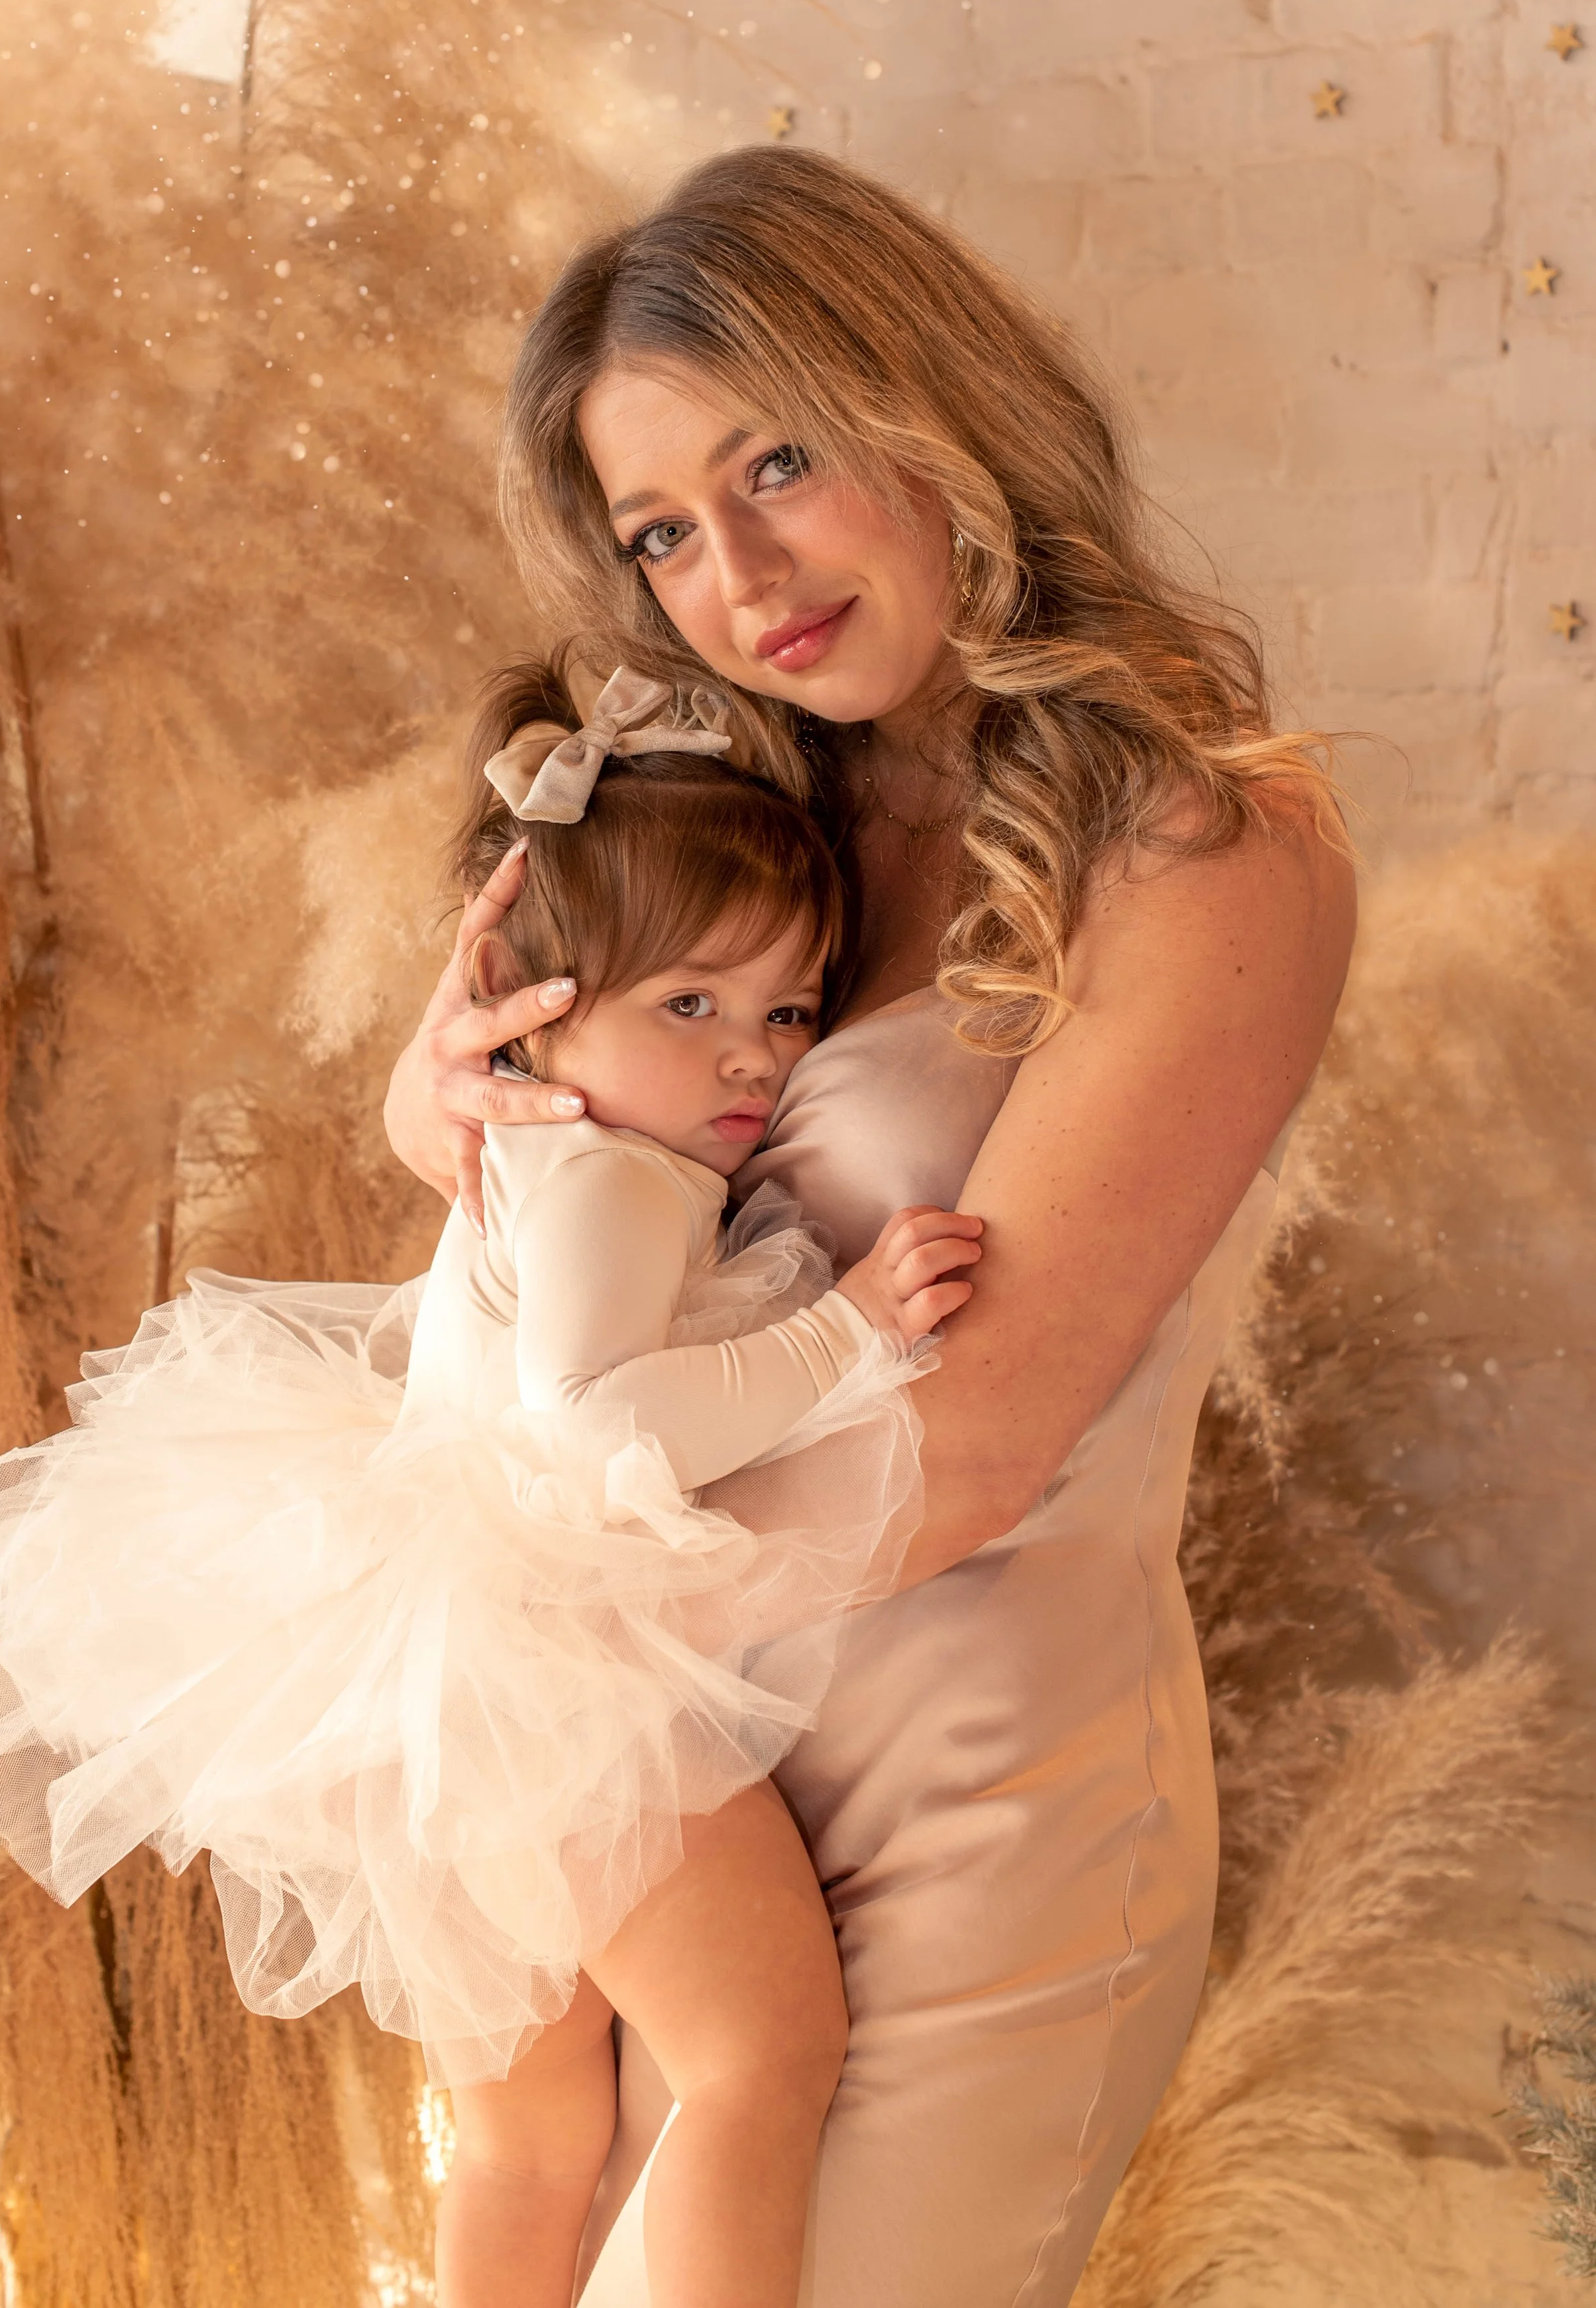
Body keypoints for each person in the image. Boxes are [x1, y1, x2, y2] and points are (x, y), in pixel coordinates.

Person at [382, 146, 1358, 2307]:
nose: (734, 573)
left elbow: (986, 1430)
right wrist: (431, 1096)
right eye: (660, 529)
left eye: (781, 462)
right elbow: (560, 1236)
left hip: (970, 1804)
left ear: (934, 405)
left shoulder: (1206, 836)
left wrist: (528, 1652)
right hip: (676, 1798)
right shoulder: (730, 821)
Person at [0, 668, 982, 2308]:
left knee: (523, 2144)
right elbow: (590, 1426)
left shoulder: (557, 1151)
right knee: (757, 2056)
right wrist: (844, 1336)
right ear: (532, 1005)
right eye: (689, 1007)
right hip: (548, 1690)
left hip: (432, 1709)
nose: (751, 1062)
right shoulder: (616, 1181)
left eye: (787, 1012)